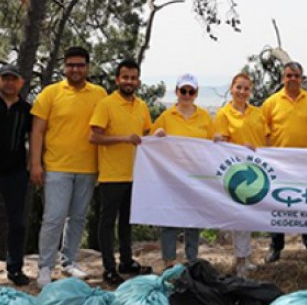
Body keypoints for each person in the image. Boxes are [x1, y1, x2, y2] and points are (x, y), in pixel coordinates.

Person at [30, 46, 108, 287]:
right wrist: (35, 164)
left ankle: (69, 261)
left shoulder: (100, 94)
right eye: (71, 65)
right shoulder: (50, 93)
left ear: (88, 67)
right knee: (53, 218)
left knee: (77, 218)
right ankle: (45, 267)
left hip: (88, 168)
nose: (75, 69)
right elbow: (37, 131)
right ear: (65, 67)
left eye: (80, 65)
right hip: (56, 167)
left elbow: (107, 128)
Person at [89, 59, 152, 285]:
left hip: (134, 174)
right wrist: (124, 139)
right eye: (125, 77)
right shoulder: (106, 104)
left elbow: (146, 136)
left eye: (133, 78)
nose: (129, 81)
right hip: (111, 175)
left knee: (127, 221)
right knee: (107, 223)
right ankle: (108, 267)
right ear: (117, 79)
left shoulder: (142, 106)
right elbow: (94, 136)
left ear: (138, 81)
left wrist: (159, 137)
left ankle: (126, 261)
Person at [262, 61, 307, 263]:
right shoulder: (271, 102)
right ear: (282, 78)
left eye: (296, 76)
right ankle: (276, 246)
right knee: (276, 205)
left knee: (306, 204)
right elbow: (264, 130)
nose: (292, 79)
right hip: (279, 164)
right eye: (288, 75)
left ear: (302, 78)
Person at [152, 73, 213, 270]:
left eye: (191, 91)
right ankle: (169, 261)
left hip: (196, 176)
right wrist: (156, 135)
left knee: (193, 219)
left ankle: (191, 260)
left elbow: (213, 143)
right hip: (172, 177)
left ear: (196, 93)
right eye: (183, 91)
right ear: (177, 92)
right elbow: (151, 143)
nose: (187, 94)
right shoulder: (166, 116)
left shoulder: (204, 116)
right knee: (170, 219)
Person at [213, 72, 268, 276]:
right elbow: (222, 144)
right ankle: (241, 262)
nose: (242, 92)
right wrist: (240, 147)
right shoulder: (223, 114)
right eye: (239, 87)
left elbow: (266, 138)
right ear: (232, 88)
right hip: (237, 171)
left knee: (250, 215)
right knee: (241, 217)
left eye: (246, 88)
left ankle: (246, 257)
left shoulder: (257, 112)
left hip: (259, 170)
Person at [0, 64, 32, 285]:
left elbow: (34, 139)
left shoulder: (27, 109)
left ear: (20, 82)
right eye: (5, 79)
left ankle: (15, 268)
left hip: (16, 172)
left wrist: (34, 165)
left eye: (13, 79)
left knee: (17, 223)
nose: (9, 82)